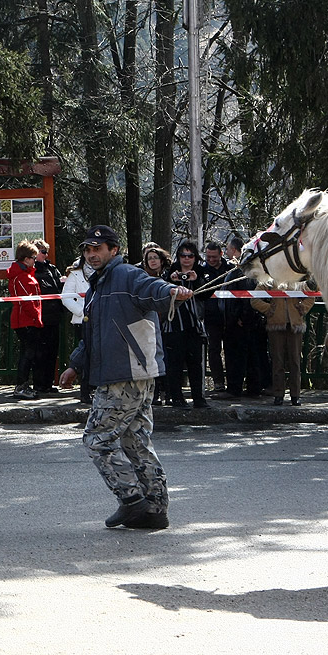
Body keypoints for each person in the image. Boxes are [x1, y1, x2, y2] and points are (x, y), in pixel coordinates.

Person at [59, 225, 193, 530]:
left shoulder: (128, 276)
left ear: (113, 250)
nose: (91, 255)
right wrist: (76, 365)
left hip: (126, 374)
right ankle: (156, 510)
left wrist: (174, 291)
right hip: (130, 373)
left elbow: (154, 289)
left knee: (96, 440)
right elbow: (92, 333)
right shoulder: (98, 286)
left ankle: (132, 501)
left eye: (98, 249)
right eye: (88, 250)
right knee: (135, 441)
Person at [160, 241, 213, 408]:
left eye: (190, 255)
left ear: (195, 257)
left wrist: (196, 281)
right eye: (183, 255)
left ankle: (199, 398)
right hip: (174, 324)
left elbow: (206, 294)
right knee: (175, 363)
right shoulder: (170, 272)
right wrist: (172, 281)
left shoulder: (202, 272)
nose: (186, 259)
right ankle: (177, 397)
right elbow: (162, 295)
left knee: (196, 364)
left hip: (194, 325)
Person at [250, 282, 315, 406]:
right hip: (275, 325)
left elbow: (311, 295)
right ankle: (278, 394)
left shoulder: (297, 280)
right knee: (277, 361)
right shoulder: (269, 281)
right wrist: (269, 309)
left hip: (295, 325)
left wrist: (301, 309)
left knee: (295, 362)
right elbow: (254, 299)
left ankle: (295, 395)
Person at [7, 239, 44, 400]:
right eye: (33, 258)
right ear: (26, 259)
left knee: (29, 353)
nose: (35, 261)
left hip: (29, 320)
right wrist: (37, 318)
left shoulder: (27, 275)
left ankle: (23, 385)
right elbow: (26, 301)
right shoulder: (20, 276)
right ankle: (20, 386)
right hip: (25, 321)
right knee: (27, 354)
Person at [32, 239, 64, 394]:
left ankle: (48, 383)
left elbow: (58, 286)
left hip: (54, 316)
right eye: (42, 252)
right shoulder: (31, 270)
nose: (45, 255)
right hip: (40, 317)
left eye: (46, 251)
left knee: (52, 351)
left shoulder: (52, 268)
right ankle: (38, 384)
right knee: (40, 352)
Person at [61, 252, 93, 403]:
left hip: (102, 319)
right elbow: (66, 297)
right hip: (82, 320)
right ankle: (86, 391)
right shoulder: (75, 274)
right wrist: (82, 311)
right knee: (85, 355)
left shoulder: (107, 271)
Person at [200, 241, 232, 392]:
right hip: (211, 317)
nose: (211, 260)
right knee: (213, 350)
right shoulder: (202, 271)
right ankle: (218, 382)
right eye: (208, 257)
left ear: (221, 254)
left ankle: (233, 382)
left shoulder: (230, 270)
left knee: (232, 349)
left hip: (230, 317)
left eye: (214, 257)